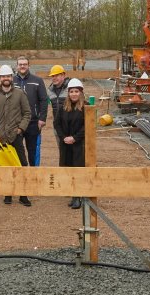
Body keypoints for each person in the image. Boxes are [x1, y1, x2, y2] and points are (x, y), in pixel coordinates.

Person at [0, 64, 32, 206]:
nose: (6, 78)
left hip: (16, 136)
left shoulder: (19, 94)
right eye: (3, 76)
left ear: (11, 77)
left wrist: (20, 129)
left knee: (21, 164)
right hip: (1, 138)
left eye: (8, 76)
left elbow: (27, 113)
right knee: (5, 166)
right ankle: (8, 194)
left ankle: (23, 194)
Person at [56, 78, 87, 209]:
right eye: (71, 91)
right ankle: (73, 195)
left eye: (76, 91)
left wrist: (75, 138)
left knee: (78, 169)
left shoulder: (86, 107)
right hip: (66, 144)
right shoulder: (63, 106)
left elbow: (87, 126)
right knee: (68, 168)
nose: (74, 94)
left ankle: (78, 196)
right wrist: (64, 137)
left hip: (78, 144)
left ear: (80, 92)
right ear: (68, 93)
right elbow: (56, 123)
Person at [13, 56, 48, 166]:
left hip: (33, 123)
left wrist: (42, 118)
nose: (22, 66)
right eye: (20, 64)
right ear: (17, 66)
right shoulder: (11, 81)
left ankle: (34, 173)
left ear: (29, 66)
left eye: (25, 64)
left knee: (33, 151)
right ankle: (20, 174)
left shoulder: (37, 81)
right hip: (16, 123)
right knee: (17, 151)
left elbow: (43, 100)